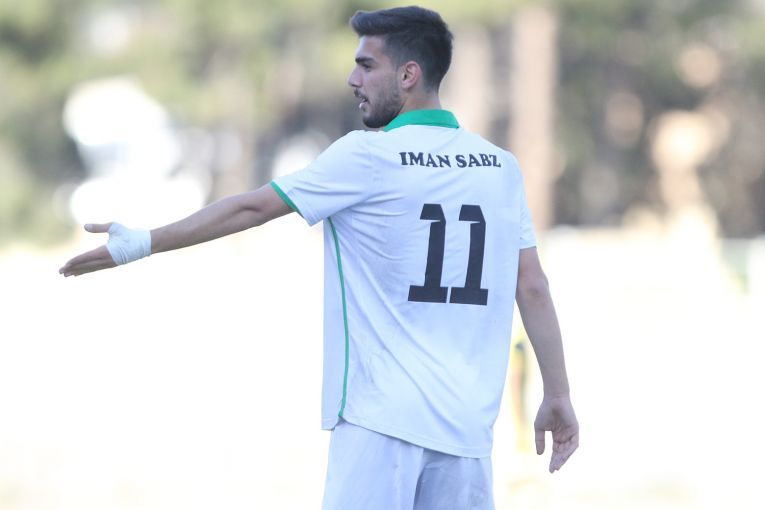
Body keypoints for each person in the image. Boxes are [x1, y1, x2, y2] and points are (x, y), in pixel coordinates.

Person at [60, 6, 578, 509]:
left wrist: (144, 241)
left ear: (409, 74)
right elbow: (531, 286)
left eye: (366, 65)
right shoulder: (500, 167)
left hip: (380, 425)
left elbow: (251, 207)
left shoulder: (367, 155)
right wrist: (558, 394)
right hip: (468, 433)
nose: (353, 79)